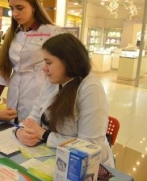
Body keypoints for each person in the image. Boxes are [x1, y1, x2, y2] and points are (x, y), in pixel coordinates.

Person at [14, 33, 115, 167]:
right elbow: (33, 117)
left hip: (87, 166)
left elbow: (88, 146)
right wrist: (20, 132)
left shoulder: (90, 88)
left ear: (68, 61)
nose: (44, 68)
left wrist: (44, 134)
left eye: (49, 62)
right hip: (52, 154)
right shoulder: (53, 81)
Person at [0, 0, 62, 123]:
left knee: (33, 131)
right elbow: (3, 73)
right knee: (14, 131)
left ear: (34, 6)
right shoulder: (12, 34)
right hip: (14, 94)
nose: (15, 14)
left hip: (40, 93)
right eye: (12, 9)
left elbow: (65, 68)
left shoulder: (51, 32)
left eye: (20, 8)